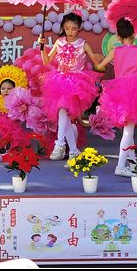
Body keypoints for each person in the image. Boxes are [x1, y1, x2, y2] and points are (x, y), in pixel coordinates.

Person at [94, 18, 137, 177]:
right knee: (128, 131)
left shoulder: (115, 51)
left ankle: (131, 163)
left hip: (120, 92)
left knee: (128, 130)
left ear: (118, 37)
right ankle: (120, 166)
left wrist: (97, 60)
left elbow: (99, 66)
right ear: (133, 35)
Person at [38, 12, 102, 161]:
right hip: (60, 80)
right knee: (63, 113)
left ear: (79, 28)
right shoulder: (59, 42)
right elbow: (46, 61)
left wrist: (108, 58)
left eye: (73, 28)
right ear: (63, 28)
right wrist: (41, 46)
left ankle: (60, 144)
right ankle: (72, 150)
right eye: (67, 28)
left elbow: (97, 63)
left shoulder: (83, 44)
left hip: (76, 82)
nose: (70, 31)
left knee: (63, 112)